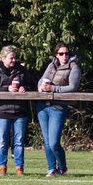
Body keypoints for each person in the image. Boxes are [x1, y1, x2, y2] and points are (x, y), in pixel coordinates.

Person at [36, 42, 82, 177]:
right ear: (56, 55)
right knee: (47, 141)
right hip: (43, 106)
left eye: (66, 53)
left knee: (54, 142)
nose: (64, 56)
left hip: (58, 107)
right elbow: (41, 80)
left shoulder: (74, 68)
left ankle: (62, 166)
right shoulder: (52, 65)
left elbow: (73, 87)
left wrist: (53, 89)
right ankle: (51, 168)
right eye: (61, 53)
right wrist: (41, 87)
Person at [0, 45, 31, 176]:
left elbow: (32, 84)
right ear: (2, 58)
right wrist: (7, 89)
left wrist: (24, 88)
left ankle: (19, 168)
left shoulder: (22, 71)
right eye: (11, 57)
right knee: (2, 141)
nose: (13, 60)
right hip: (1, 111)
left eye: (15, 57)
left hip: (20, 111)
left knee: (19, 141)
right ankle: (2, 167)